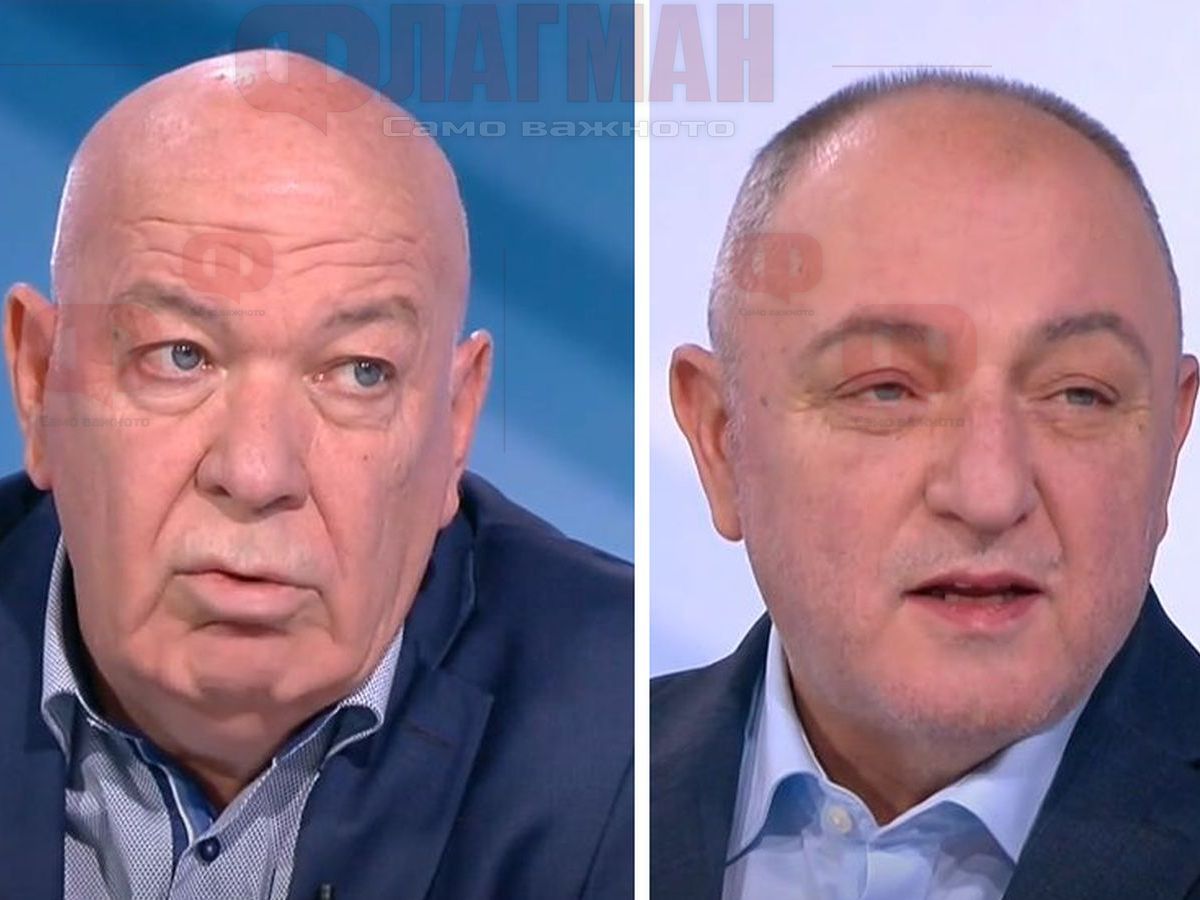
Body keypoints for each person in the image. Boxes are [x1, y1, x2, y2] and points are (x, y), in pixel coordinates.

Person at [0, 49, 631, 899]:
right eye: (179, 356)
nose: (257, 472)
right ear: (40, 382)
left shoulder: (629, 746)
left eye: (360, 372)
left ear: (455, 424)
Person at [653, 71, 1200, 900]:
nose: (989, 493)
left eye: (1079, 395)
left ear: (1170, 441)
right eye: (886, 391)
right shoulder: (585, 791)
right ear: (720, 442)